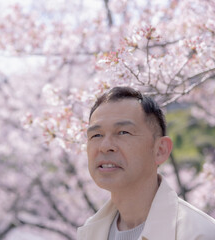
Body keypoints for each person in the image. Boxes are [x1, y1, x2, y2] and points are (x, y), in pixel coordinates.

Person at [77, 87, 215, 240]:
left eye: (123, 132)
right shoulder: (90, 232)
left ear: (160, 150)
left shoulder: (198, 233)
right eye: (96, 135)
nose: (105, 146)